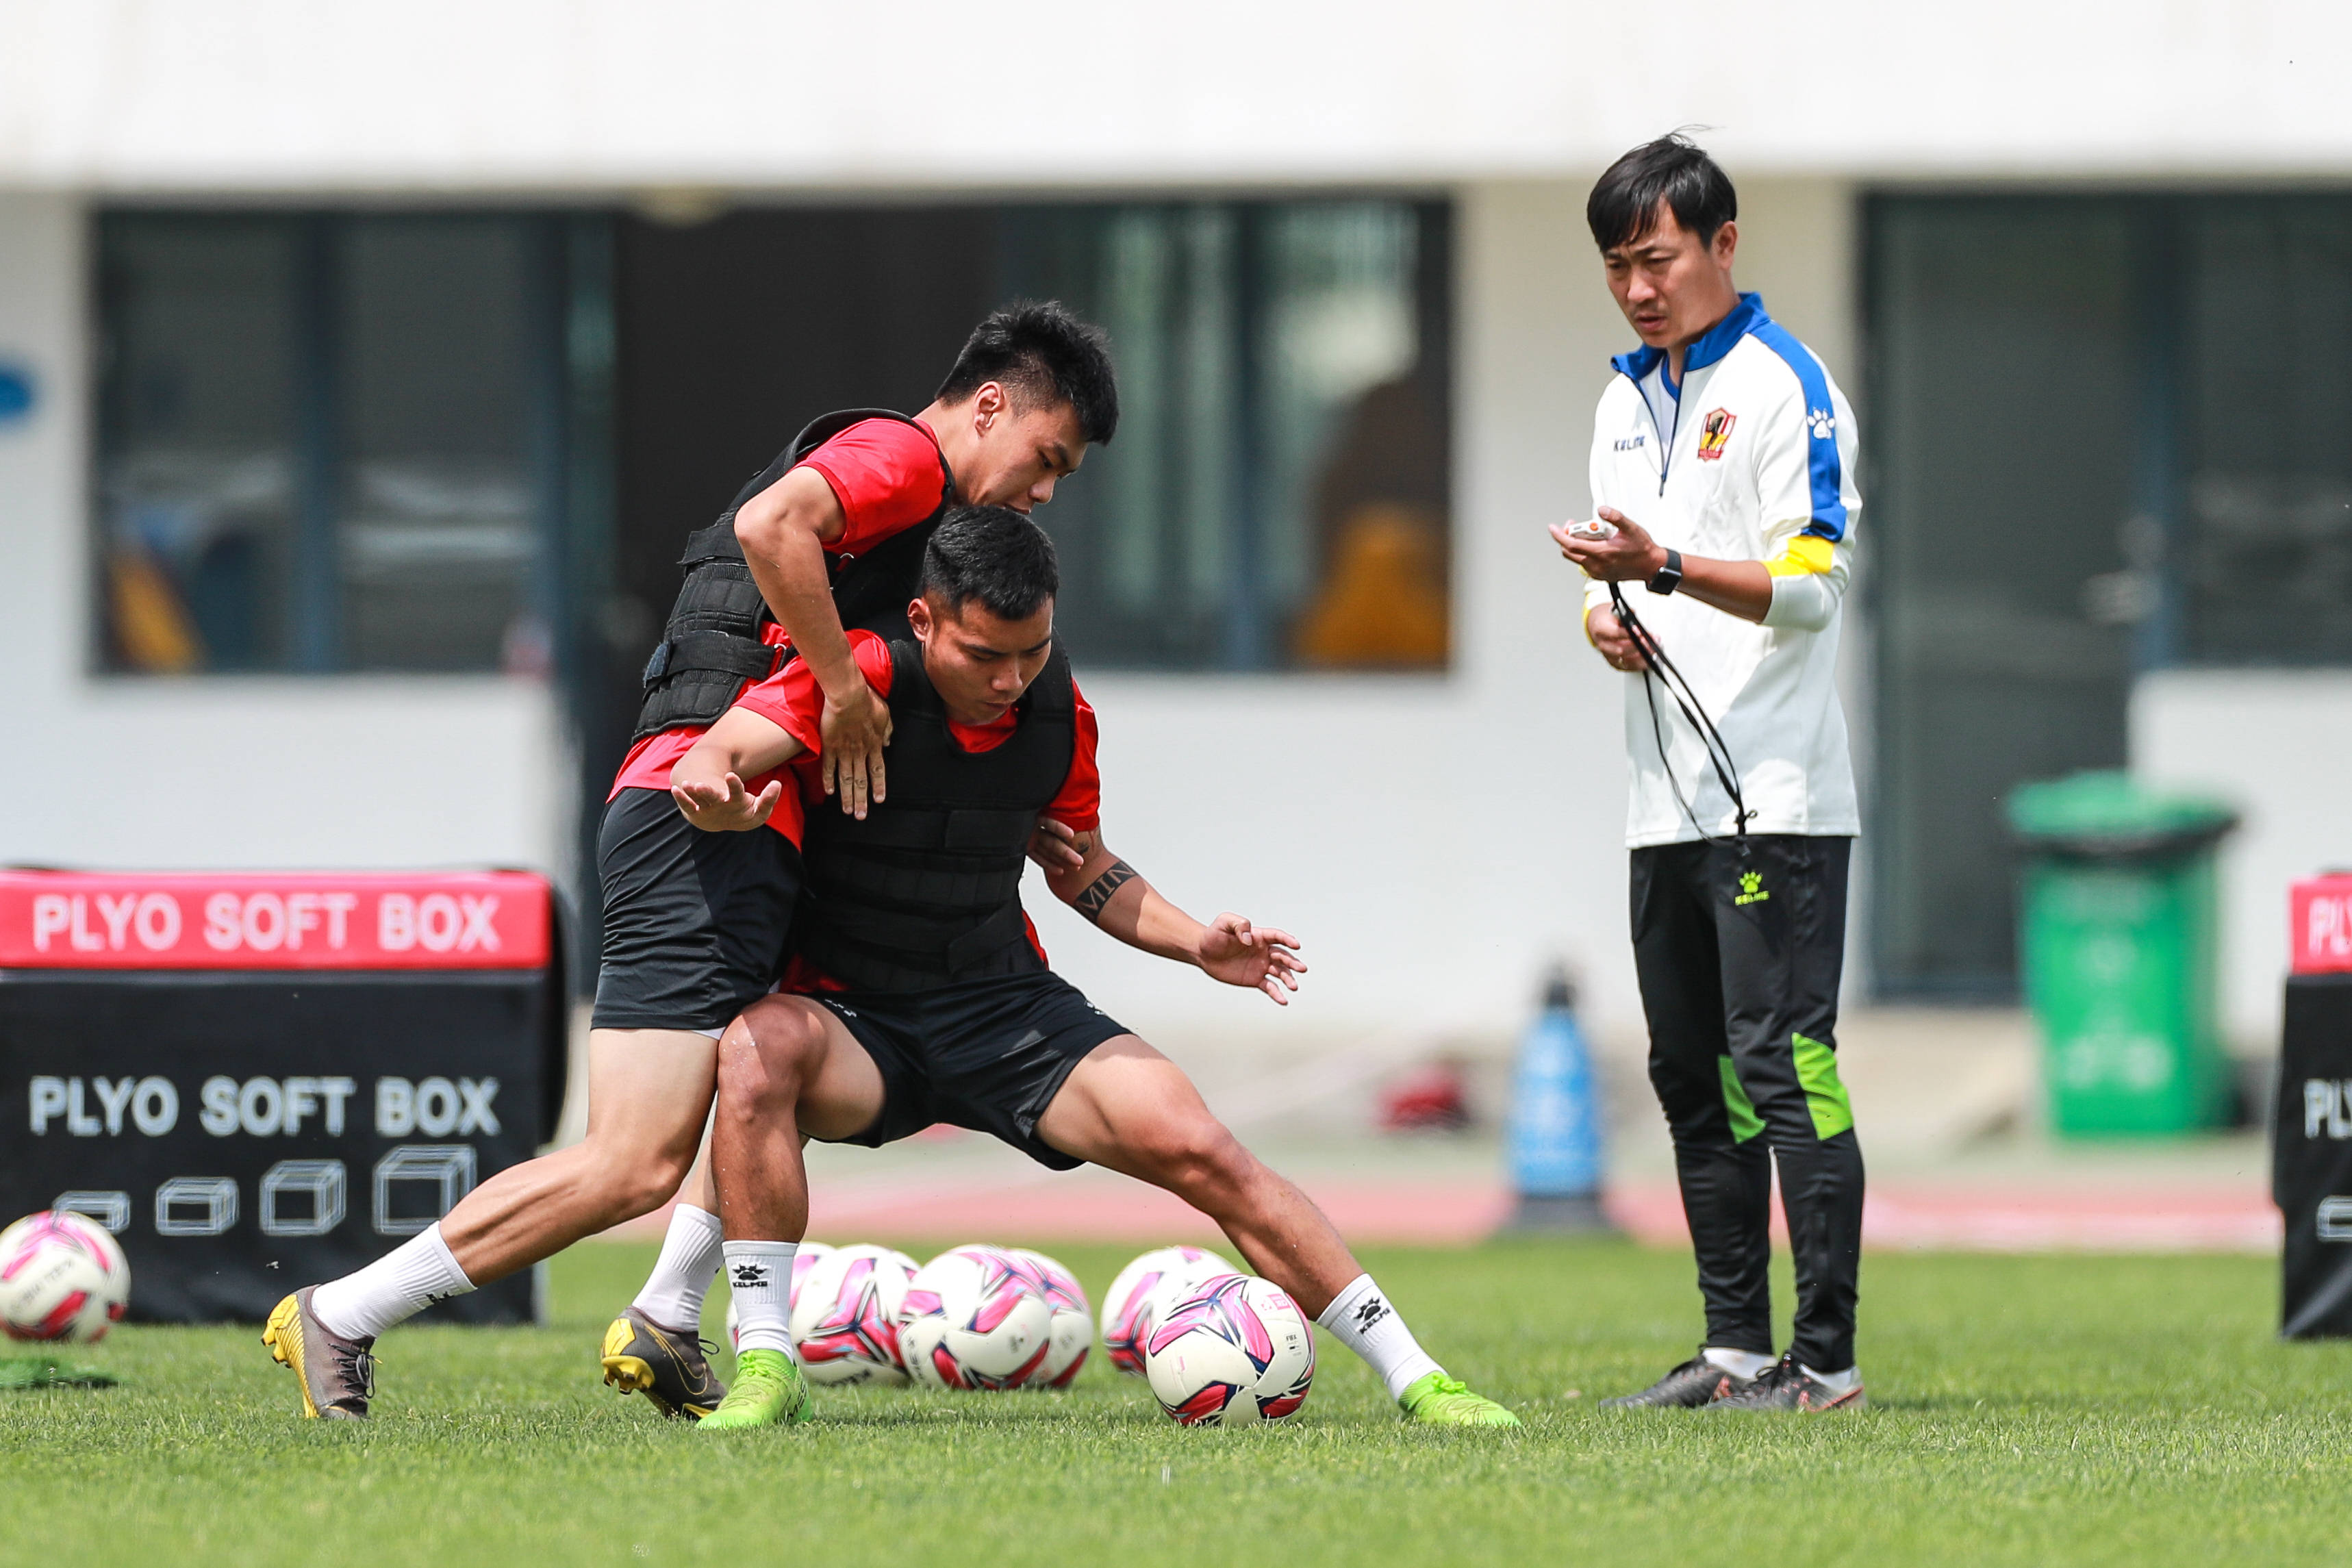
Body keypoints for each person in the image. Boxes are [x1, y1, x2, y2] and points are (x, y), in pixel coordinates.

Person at [262, 303, 1120, 1421]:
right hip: (699, 817)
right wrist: (850, 693)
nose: (1044, 489)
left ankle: (669, 1314)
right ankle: (344, 1310)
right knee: (629, 1160)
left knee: (772, 1076)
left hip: (751, 827)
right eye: (1046, 457)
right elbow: (774, 526)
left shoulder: (924, 510)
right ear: (992, 404)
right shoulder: (906, 457)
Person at [667, 505, 1519, 1430]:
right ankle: (766, 1363)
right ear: (924, 622)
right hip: (854, 1023)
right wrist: (713, 794)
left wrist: (1199, 942)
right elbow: (713, 756)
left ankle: (1419, 1377)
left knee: (1202, 1145)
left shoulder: (1054, 708)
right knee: (753, 1050)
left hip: (1003, 1010)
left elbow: (1084, 868)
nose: (1010, 678)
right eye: (985, 655)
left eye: (1030, 651)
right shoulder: (858, 675)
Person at [1552, 134, 1867, 1413]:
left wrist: (1667, 568)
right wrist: (1605, 620)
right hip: (1661, 804)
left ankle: (1829, 1362)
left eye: (1658, 258)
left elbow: (1814, 582)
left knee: (1785, 1065)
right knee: (1693, 1077)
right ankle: (1738, 1350)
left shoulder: (1791, 386)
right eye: (1618, 265)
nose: (1637, 286)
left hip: (1775, 802)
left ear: (1724, 247)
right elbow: (1617, 583)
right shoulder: (1623, 401)